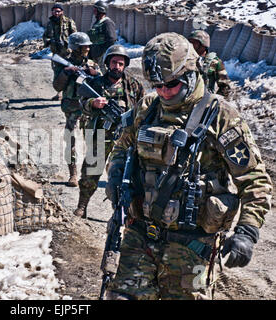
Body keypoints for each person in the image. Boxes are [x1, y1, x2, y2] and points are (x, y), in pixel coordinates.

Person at [103, 32, 273, 300]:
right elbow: (123, 147)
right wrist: (115, 178)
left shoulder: (220, 116)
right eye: (157, 85)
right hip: (140, 234)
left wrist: (247, 231)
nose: (163, 92)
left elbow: (255, 180)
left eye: (171, 84)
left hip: (192, 245)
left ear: (192, 73)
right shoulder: (148, 107)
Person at [74, 44, 144, 218]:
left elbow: (144, 108)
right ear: (107, 63)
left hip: (126, 138)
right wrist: (93, 104)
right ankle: (82, 206)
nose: (117, 67)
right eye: (114, 63)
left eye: (121, 64)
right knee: (91, 171)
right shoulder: (96, 83)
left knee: (123, 175)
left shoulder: (134, 85)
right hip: (101, 135)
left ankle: (121, 213)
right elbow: (82, 104)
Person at [53, 32, 101, 187]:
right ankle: (73, 174)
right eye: (84, 46)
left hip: (89, 108)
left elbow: (102, 86)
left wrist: (94, 74)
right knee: (71, 139)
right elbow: (57, 86)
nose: (87, 48)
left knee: (91, 141)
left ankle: (88, 175)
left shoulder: (92, 64)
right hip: (72, 107)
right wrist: (66, 73)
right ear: (76, 48)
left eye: (87, 46)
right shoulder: (64, 64)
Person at [43, 3, 77, 100]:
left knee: (69, 73)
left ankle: (69, 94)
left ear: (62, 12)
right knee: (57, 73)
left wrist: (71, 46)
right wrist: (49, 42)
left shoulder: (69, 22)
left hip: (67, 53)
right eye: (54, 11)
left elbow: (75, 35)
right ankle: (59, 94)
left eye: (58, 11)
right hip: (56, 54)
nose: (56, 13)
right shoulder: (50, 23)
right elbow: (45, 36)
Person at [188, 30, 232, 99]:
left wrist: (214, 101)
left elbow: (225, 87)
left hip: (203, 101)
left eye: (194, 43)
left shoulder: (214, 62)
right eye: (190, 42)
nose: (191, 45)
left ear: (203, 45)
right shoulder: (186, 59)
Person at [86, 1, 117, 70]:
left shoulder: (107, 23)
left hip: (102, 57)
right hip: (95, 56)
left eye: (95, 9)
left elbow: (112, 40)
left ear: (101, 10)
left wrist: (102, 52)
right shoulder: (97, 23)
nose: (93, 11)